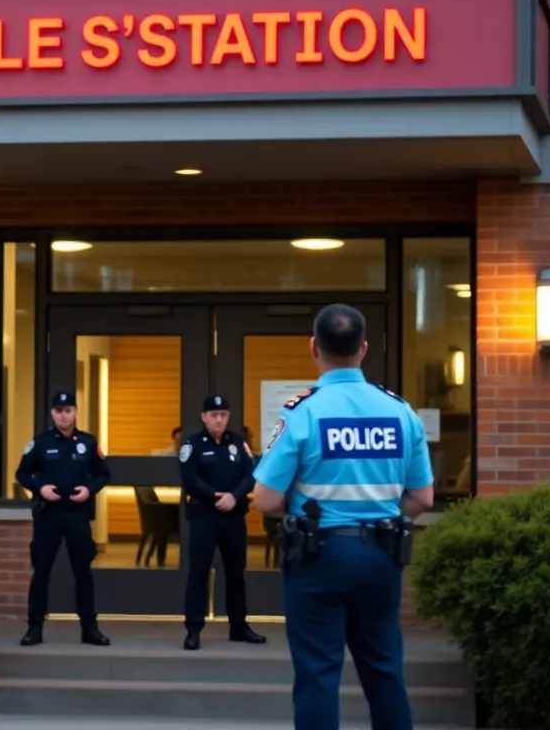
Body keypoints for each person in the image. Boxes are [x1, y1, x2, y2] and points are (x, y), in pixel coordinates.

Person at [251, 303, 435, 730]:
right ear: (363, 348)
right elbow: (423, 498)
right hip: (381, 556)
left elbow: (264, 500)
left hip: (318, 557)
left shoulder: (303, 411)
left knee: (317, 675)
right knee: (385, 673)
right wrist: (380, 513)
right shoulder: (400, 412)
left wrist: (301, 509)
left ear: (314, 348)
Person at [16, 390, 112, 648]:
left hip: (77, 516)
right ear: (52, 413)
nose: (64, 416)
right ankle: (34, 628)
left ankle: (89, 628)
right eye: (59, 411)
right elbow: (22, 473)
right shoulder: (41, 443)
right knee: (42, 571)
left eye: (68, 410)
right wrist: (40, 488)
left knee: (83, 572)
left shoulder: (88, 443)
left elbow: (103, 474)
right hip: (49, 515)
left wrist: (89, 490)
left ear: (76, 412)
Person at [179, 395, 267, 651]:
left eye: (223, 415)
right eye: (214, 415)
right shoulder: (192, 444)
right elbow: (190, 479)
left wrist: (234, 496)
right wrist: (215, 496)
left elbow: (250, 475)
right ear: (204, 417)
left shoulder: (238, 442)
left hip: (233, 517)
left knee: (236, 573)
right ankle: (193, 629)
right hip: (204, 516)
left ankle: (239, 626)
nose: (219, 420)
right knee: (198, 574)